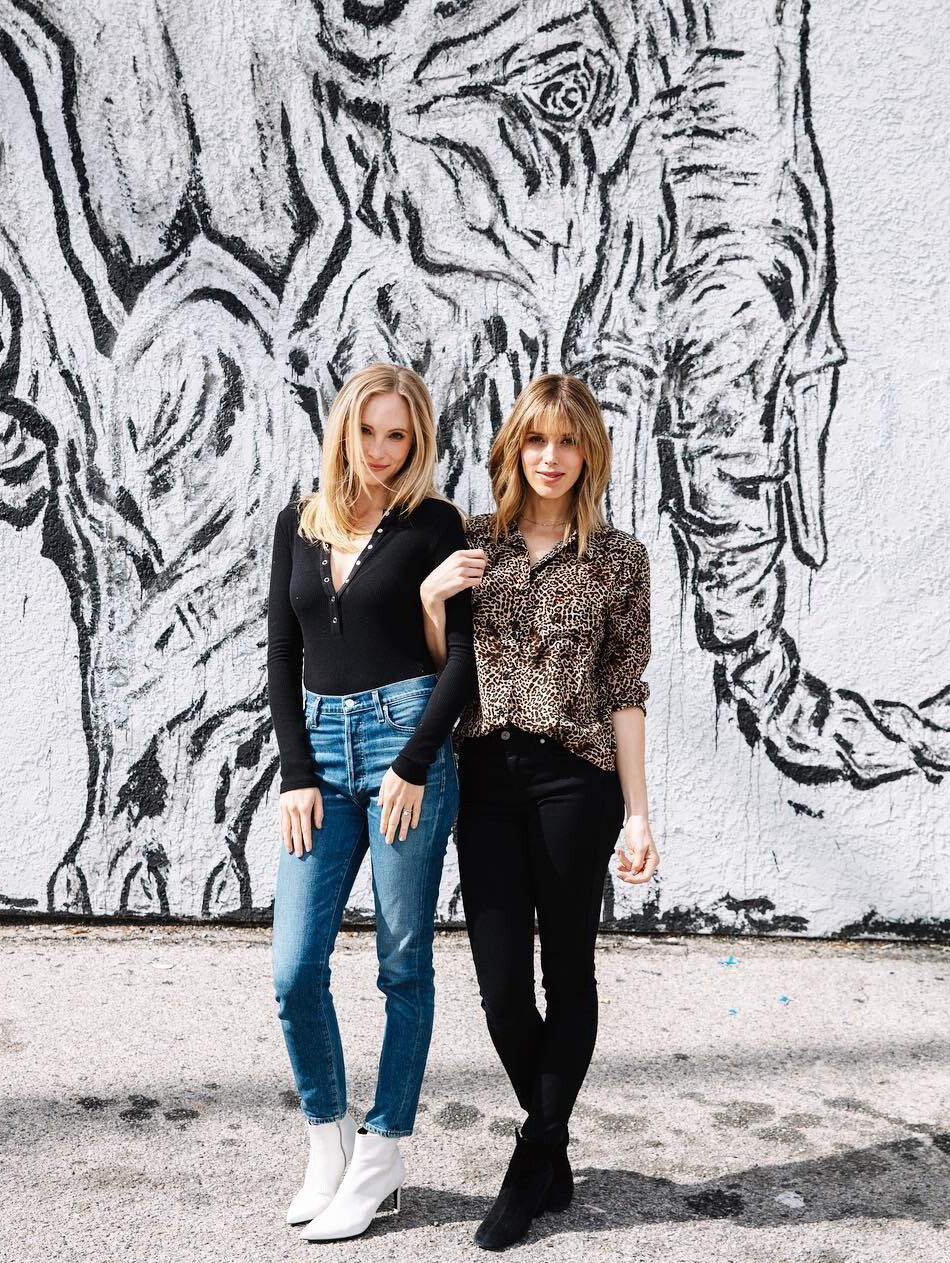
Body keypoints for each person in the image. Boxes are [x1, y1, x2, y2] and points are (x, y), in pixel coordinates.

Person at [420, 372, 659, 1251]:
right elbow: (443, 668)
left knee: (569, 971)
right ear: (514, 447)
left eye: (567, 442)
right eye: (536, 439)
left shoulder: (620, 558)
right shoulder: (474, 542)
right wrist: (431, 599)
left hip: (575, 781)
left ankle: (530, 1161)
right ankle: (552, 1143)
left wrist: (639, 814)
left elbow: (625, 689)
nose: (550, 457)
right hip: (485, 775)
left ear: (589, 454)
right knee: (500, 990)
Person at [266, 363, 474, 1242]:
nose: (382, 450)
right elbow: (282, 652)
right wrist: (295, 771)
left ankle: (384, 1151)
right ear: (343, 430)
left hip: (404, 747)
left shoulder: (435, 525)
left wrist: (415, 763)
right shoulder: (299, 521)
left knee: (402, 962)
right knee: (293, 969)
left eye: (399, 435)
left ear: (415, 439)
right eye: (369, 431)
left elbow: (462, 660)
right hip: (320, 752)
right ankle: (330, 1143)